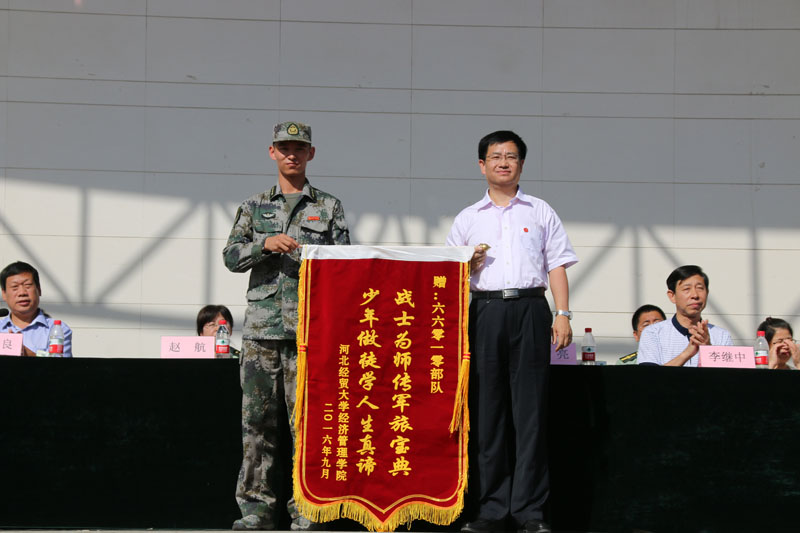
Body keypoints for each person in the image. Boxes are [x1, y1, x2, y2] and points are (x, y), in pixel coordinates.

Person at [446, 130, 577, 533]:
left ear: (521, 163)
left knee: (530, 413)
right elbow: (450, 276)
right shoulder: (468, 218)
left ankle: (529, 512)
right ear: (481, 165)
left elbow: (556, 264)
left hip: (531, 309)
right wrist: (469, 264)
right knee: (489, 413)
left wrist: (562, 313)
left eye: (511, 156)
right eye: (495, 156)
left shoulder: (540, 211)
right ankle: (491, 510)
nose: (503, 163)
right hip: (485, 312)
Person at [223, 121, 350, 531]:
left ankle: (307, 509)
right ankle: (255, 510)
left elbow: (345, 264)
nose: (291, 154)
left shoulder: (328, 207)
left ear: (311, 154)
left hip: (309, 332)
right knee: (256, 424)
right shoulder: (254, 206)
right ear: (272, 152)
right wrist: (265, 244)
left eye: (299, 148)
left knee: (308, 425)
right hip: (262, 332)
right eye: (284, 147)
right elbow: (230, 256)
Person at [638, 265, 732, 367]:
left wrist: (708, 350)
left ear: (707, 293)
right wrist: (687, 353)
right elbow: (649, 376)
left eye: (700, 288)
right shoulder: (653, 333)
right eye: (687, 289)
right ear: (672, 296)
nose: (695, 295)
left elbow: (727, 376)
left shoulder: (721, 335)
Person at [0, 261, 73, 357]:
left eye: (28, 285)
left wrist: (29, 354)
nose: (22, 293)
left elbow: (62, 365)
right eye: (15, 287)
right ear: (4, 294)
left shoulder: (58, 329)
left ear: (39, 289)